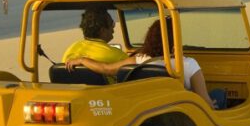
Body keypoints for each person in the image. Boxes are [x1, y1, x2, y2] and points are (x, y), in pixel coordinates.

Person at [66, 19, 224, 110]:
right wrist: (212, 103)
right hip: (184, 110)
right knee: (219, 94)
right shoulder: (188, 64)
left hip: (151, 109)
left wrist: (81, 60)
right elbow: (204, 102)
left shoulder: (138, 60)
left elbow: (105, 69)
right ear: (175, 39)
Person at [61, 7, 129, 66]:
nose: (113, 28)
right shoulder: (117, 56)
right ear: (102, 30)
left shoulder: (71, 49)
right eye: (112, 24)